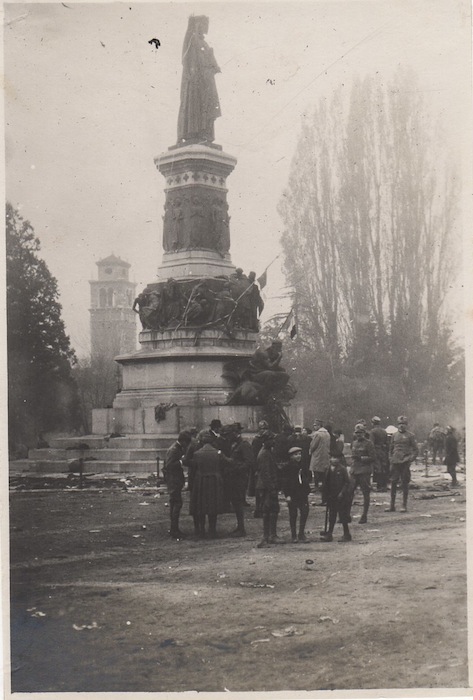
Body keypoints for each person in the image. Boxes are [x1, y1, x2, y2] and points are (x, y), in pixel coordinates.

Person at [177, 15, 221, 144]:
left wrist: (214, 66)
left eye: (205, 25)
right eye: (202, 24)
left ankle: (204, 132)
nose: (204, 27)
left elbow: (210, 61)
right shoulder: (192, 38)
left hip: (206, 82)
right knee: (194, 105)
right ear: (197, 25)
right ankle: (193, 132)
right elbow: (187, 56)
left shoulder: (205, 43)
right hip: (195, 80)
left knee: (206, 107)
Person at [188, 431, 226, 538]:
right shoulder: (217, 453)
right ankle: (212, 530)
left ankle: (201, 530)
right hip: (214, 481)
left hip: (201, 482)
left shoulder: (197, 454)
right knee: (212, 506)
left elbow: (193, 468)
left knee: (201, 506)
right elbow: (223, 465)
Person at [220, 423, 254, 536]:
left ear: (235, 433)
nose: (227, 437)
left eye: (229, 434)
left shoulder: (244, 445)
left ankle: (241, 528)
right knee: (235, 502)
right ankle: (240, 527)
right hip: (234, 478)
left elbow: (249, 462)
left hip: (239, 479)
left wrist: (234, 467)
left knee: (238, 503)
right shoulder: (235, 445)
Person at [163, 431, 192, 539]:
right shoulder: (174, 450)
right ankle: (174, 529)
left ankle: (174, 528)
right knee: (177, 504)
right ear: (183, 441)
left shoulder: (176, 448)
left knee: (174, 503)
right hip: (173, 480)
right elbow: (169, 465)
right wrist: (181, 461)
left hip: (174, 479)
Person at [385, 416, 418, 513]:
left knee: (404, 483)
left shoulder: (410, 436)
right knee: (393, 483)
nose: (401, 426)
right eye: (400, 424)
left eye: (403, 424)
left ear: (406, 425)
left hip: (404, 462)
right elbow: (390, 449)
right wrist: (390, 458)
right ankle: (392, 505)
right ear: (397, 425)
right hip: (395, 462)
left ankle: (404, 505)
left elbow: (415, 450)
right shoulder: (394, 435)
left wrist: (410, 459)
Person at [256, 431, 281, 548]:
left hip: (265, 486)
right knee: (271, 510)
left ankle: (268, 536)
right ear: (266, 441)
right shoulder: (265, 454)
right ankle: (271, 536)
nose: (274, 442)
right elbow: (266, 473)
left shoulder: (266, 452)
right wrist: (272, 488)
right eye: (271, 440)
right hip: (267, 487)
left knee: (269, 511)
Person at [320, 456, 354, 542]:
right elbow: (325, 483)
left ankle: (347, 534)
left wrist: (342, 493)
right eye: (333, 457)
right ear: (329, 458)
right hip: (331, 495)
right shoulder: (327, 469)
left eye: (336, 458)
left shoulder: (342, 469)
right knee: (332, 515)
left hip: (341, 496)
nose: (335, 459)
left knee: (342, 515)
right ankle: (329, 534)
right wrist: (325, 496)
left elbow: (347, 482)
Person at [281, 446, 311, 543]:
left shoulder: (302, 465)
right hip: (293, 494)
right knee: (293, 514)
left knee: (304, 512)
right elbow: (285, 482)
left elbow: (305, 478)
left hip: (302, 493)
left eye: (299, 454)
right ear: (291, 456)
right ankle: (294, 535)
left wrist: (307, 488)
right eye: (295, 455)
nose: (298, 456)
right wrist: (287, 495)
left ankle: (301, 534)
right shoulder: (288, 467)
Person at [350, 423, 376, 523]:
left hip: (364, 471)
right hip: (354, 470)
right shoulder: (354, 443)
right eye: (356, 433)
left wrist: (361, 458)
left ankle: (364, 515)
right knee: (349, 492)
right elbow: (352, 457)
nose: (358, 434)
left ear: (364, 433)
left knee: (365, 493)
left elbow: (373, 457)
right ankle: (346, 514)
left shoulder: (369, 443)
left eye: (360, 433)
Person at [249, 419, 269, 517]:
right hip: (261, 467)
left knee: (260, 489)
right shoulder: (266, 439)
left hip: (259, 467)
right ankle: (260, 509)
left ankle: (260, 509)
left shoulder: (257, 439)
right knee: (261, 489)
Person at [309, 419, 330, 502]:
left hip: (317, 454)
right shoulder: (327, 433)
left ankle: (316, 486)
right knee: (323, 471)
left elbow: (314, 445)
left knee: (316, 470)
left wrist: (310, 450)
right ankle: (323, 486)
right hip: (325, 455)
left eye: (315, 425)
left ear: (318, 426)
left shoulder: (317, 434)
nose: (314, 427)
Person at [369, 416, 389, 491]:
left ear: (373, 423)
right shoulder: (384, 431)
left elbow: (371, 443)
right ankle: (384, 485)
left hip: (376, 451)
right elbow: (387, 443)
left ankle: (379, 486)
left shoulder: (372, 431)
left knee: (377, 468)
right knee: (384, 468)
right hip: (383, 451)